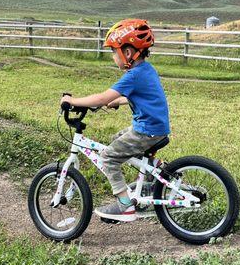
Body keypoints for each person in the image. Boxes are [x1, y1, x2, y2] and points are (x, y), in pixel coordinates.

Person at [61, 19, 170, 222]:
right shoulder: (146, 70)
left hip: (146, 131)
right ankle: (152, 179)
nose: (113, 56)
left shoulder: (133, 75)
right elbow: (141, 96)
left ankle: (125, 205)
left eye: (114, 51)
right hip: (154, 128)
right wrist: (118, 101)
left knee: (108, 158)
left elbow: (103, 97)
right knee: (117, 138)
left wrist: (72, 100)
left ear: (128, 53)